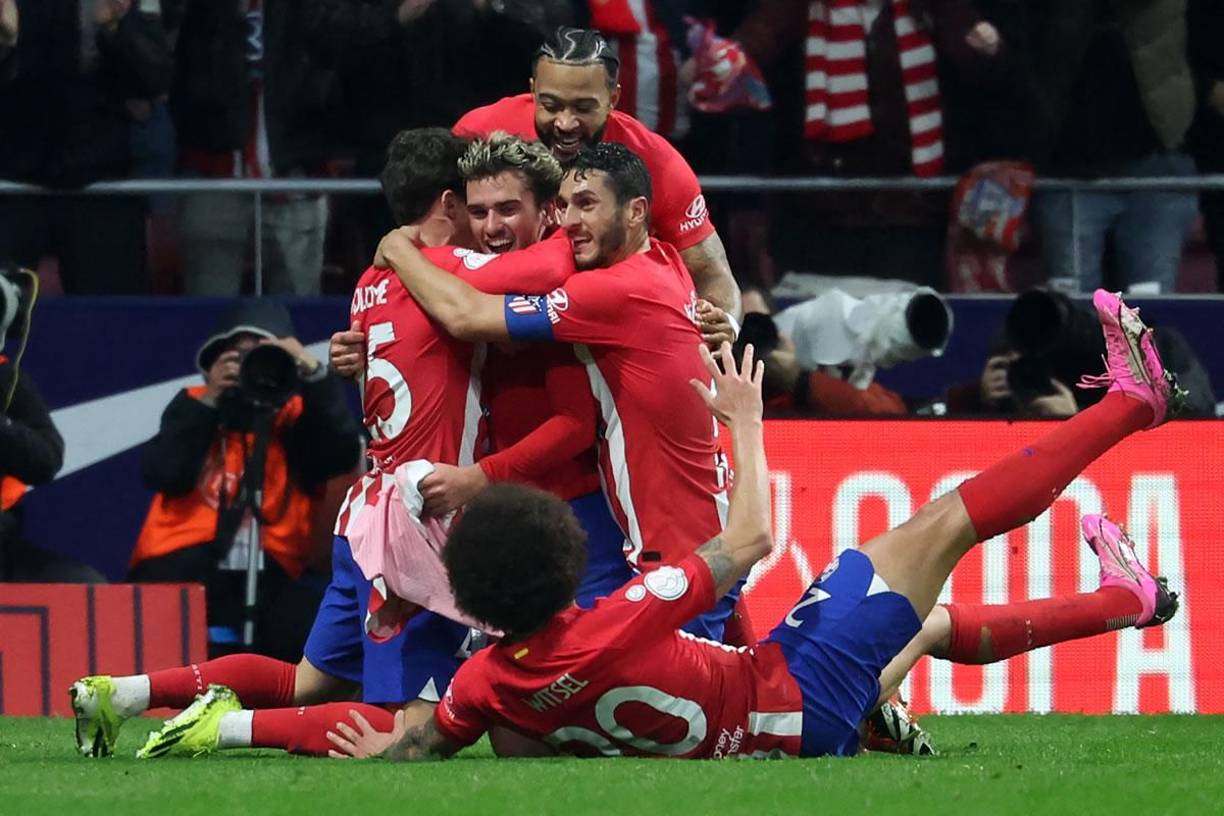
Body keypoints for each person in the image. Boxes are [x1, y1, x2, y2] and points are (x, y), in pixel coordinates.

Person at [321, 287, 1182, 761]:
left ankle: (1125, 601)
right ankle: (1135, 406)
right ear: (558, 552)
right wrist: (743, 418)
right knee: (945, 520)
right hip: (794, 695)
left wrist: (383, 756)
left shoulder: (485, 684)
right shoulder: (623, 613)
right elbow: (752, 541)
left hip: (778, 719)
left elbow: (426, 746)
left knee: (924, 625)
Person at [68, 128, 605, 760]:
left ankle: (124, 693)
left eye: (502, 210)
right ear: (448, 204)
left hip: (368, 509)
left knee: (308, 680)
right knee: (409, 732)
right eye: (476, 208)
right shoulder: (439, 269)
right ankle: (223, 727)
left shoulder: (371, 285)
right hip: (417, 520)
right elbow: (545, 267)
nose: (486, 225)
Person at [374, 143, 743, 640]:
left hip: (665, 548)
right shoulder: (662, 259)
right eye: (567, 205)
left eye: (586, 204)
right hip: (681, 538)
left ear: (635, 212)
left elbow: (467, 317)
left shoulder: (607, 290)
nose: (571, 222)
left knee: (637, 703)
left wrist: (400, 248)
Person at [454, 26, 741, 346]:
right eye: (550, 105)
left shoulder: (656, 162)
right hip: (497, 327)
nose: (565, 123)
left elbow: (711, 269)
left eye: (583, 108)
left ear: (613, 98)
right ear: (533, 91)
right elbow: (437, 232)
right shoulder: (479, 133)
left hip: (605, 339)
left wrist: (724, 319)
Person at [126, 299, 361, 662]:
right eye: (240, 356)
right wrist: (211, 400)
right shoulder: (193, 403)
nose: (253, 366)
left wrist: (314, 376)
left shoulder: (298, 418)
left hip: (273, 572)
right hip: (179, 562)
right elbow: (161, 472)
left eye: (264, 355)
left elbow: (340, 454)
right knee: (151, 633)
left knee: (314, 632)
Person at [0, 0, 172, 293]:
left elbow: (154, 79)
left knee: (111, 328)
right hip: (10, 186)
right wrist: (5, 46)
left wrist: (114, 28)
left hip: (101, 188)